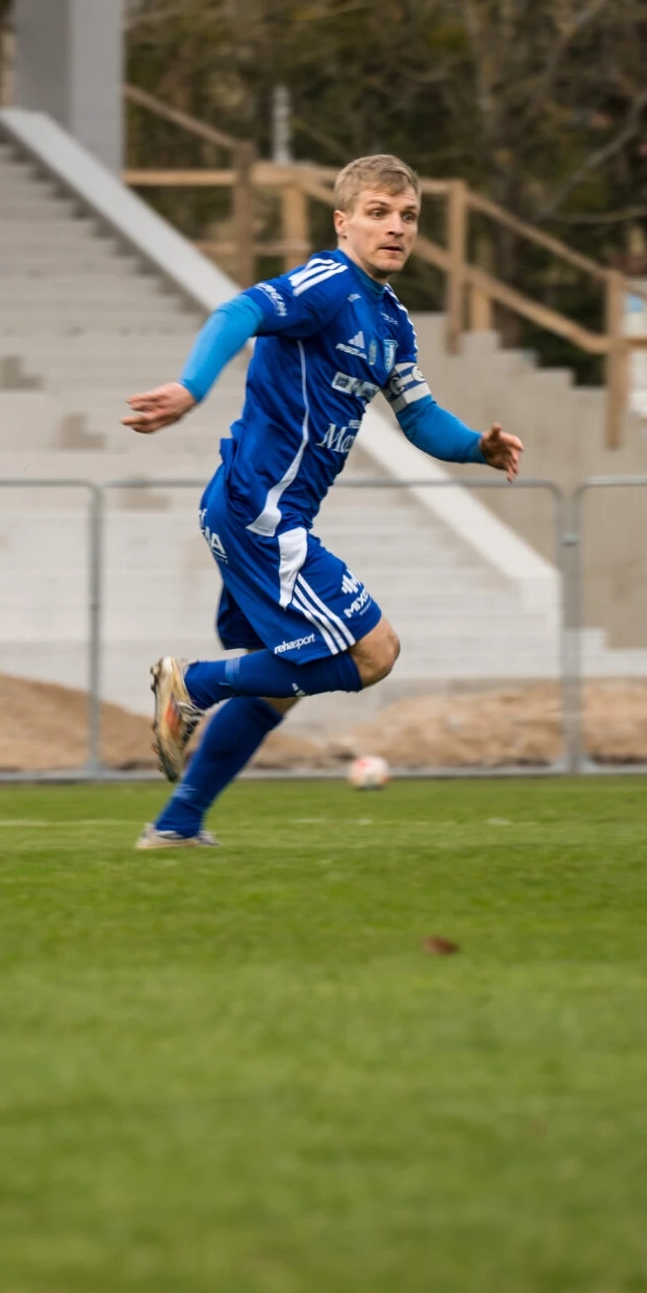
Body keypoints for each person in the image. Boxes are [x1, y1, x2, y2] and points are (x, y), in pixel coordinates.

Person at [121, 153, 524, 849]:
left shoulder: (390, 320)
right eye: (378, 212)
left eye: (408, 216)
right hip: (260, 510)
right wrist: (191, 386)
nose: (396, 227)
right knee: (375, 652)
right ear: (343, 223)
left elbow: (419, 416)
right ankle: (193, 684)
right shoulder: (327, 285)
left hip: (260, 509)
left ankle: (178, 824)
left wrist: (474, 447)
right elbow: (240, 309)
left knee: (281, 684)